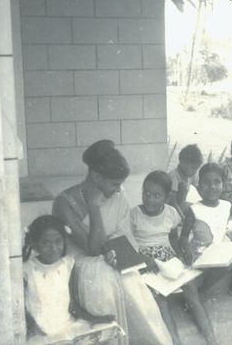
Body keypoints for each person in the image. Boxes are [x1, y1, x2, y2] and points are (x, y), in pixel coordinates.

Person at [52, 140, 173, 345]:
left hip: (110, 252)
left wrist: (129, 256)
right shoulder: (64, 203)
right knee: (104, 278)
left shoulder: (118, 193)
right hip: (81, 262)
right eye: (115, 184)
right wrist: (94, 207)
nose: (119, 190)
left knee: (131, 280)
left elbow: (121, 233)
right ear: (96, 177)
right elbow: (91, 249)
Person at [131, 171, 217, 345]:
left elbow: (173, 239)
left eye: (156, 195)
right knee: (160, 300)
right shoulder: (134, 214)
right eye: (146, 193)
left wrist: (181, 254)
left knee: (191, 291)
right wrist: (141, 259)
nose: (150, 199)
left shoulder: (171, 213)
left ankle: (211, 339)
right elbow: (129, 243)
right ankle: (175, 340)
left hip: (168, 258)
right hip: (147, 262)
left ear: (167, 196)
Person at [23, 215, 118, 345]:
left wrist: (94, 319)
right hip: (40, 332)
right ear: (34, 244)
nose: (54, 248)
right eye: (46, 243)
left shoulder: (68, 265)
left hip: (67, 326)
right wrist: (32, 327)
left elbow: (72, 304)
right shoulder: (26, 269)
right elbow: (21, 309)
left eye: (58, 241)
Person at [179, 163, 232, 302]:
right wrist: (186, 252)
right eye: (206, 183)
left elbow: (221, 230)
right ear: (198, 185)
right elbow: (184, 237)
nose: (212, 187)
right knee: (222, 268)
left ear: (224, 185)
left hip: (219, 249)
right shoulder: (194, 210)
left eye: (217, 182)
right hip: (200, 252)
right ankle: (201, 291)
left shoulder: (226, 206)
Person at [168, 144, 203, 219]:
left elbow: (200, 189)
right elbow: (172, 202)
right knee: (183, 186)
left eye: (197, 168)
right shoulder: (174, 176)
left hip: (180, 204)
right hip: (169, 207)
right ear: (182, 162)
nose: (195, 171)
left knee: (197, 208)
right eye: (193, 168)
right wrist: (182, 218)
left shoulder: (191, 174)